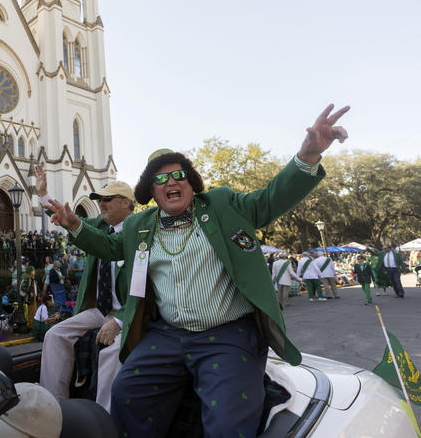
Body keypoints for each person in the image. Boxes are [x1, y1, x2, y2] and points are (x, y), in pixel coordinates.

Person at [45, 104, 349, 437]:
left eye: (179, 175)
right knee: (127, 392)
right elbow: (109, 247)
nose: (171, 182)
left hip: (228, 333)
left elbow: (268, 201)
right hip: (169, 334)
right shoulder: (139, 225)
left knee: (228, 420)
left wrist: (307, 155)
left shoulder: (222, 205)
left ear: (191, 183)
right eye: (161, 179)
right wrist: (74, 224)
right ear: (152, 191)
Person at [38, 170, 134, 413]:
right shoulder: (100, 225)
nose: (101, 203)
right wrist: (43, 194)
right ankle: (53, 408)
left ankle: (103, 418)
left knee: (111, 350)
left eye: (107, 199)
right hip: (100, 309)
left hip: (129, 311)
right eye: (99, 199)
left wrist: (120, 321)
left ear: (126, 203)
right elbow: (70, 218)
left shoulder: (139, 229)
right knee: (55, 335)